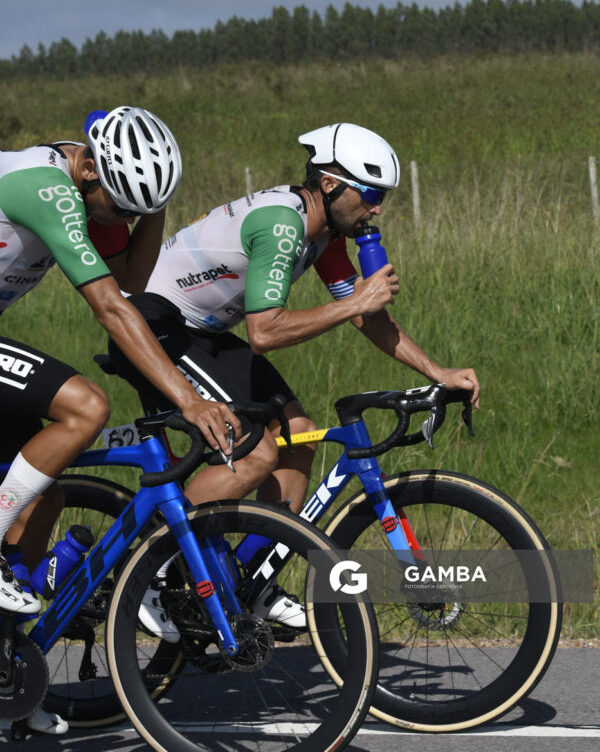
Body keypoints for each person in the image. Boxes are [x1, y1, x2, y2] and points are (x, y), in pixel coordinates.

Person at [107, 122, 481, 637]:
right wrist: (355, 302)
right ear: (330, 184)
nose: (377, 210)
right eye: (371, 195)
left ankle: (251, 579)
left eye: (383, 198)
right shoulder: (282, 224)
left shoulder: (324, 234)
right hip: (151, 326)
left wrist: (438, 371)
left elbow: (365, 316)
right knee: (255, 453)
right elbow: (264, 332)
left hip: (203, 331)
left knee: (298, 434)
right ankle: (149, 572)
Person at [0, 106, 255, 735]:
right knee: (86, 406)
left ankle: (8, 674)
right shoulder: (46, 186)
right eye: (119, 209)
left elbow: (131, 282)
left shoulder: (94, 187)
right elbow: (112, 308)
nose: (122, 223)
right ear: (88, 169)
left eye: (137, 213)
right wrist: (190, 400)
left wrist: (152, 209)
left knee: (43, 496)